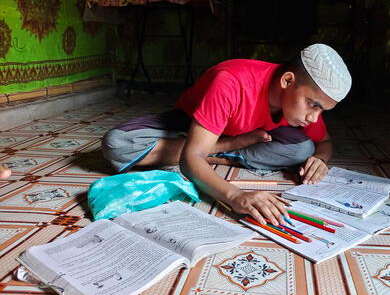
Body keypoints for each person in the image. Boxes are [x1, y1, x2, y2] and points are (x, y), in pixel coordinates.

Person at [101, 43, 352, 226]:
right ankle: (228, 147)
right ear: (287, 81)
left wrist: (320, 159)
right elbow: (193, 158)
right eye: (314, 105)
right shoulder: (231, 82)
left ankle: (220, 149)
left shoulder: (299, 103)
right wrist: (234, 195)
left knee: (304, 150)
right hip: (191, 123)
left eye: (322, 110)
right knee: (118, 144)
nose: (314, 118)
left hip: (251, 135)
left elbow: (325, 142)